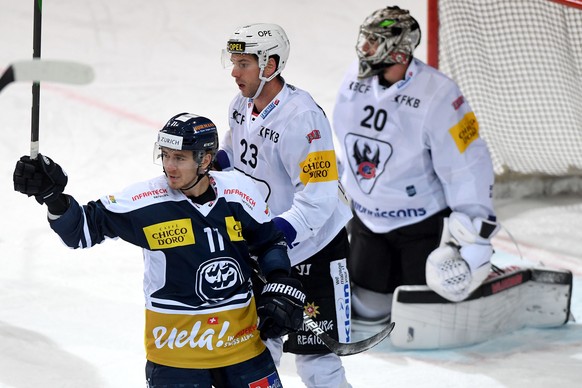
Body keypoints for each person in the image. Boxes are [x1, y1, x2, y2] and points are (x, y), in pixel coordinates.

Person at [13, 112, 308, 388]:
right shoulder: (145, 202)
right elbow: (81, 230)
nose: (169, 166)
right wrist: (52, 196)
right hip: (176, 360)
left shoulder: (240, 192)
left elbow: (268, 242)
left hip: (243, 351)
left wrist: (280, 279)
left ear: (205, 159)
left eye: (179, 157)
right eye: (165, 155)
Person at [332, 6, 500, 324]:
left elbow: (467, 165)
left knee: (428, 312)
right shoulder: (353, 77)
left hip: (422, 226)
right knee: (367, 310)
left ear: (399, 52)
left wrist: (476, 233)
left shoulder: (439, 93)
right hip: (368, 222)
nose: (364, 48)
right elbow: (345, 142)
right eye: (366, 38)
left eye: (374, 41)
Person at [216, 23, 353, 388]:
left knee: (317, 364)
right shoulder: (241, 105)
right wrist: (209, 164)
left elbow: (318, 198)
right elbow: (234, 152)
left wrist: (271, 239)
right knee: (259, 351)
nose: (234, 72)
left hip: (317, 249)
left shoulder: (302, 118)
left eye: (243, 63)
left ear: (270, 66)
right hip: (269, 248)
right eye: (234, 62)